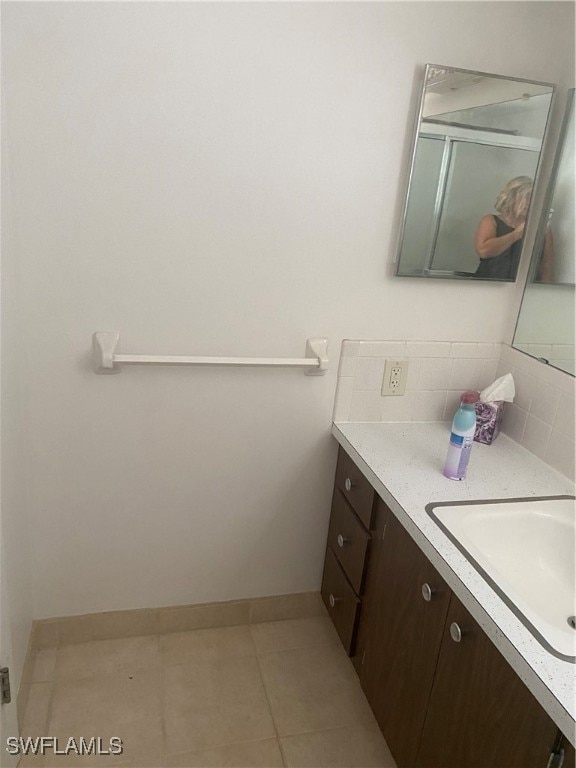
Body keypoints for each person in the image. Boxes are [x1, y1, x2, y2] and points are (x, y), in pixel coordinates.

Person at [474, 176, 534, 280]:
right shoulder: (490, 220)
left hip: (521, 290)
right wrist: (515, 235)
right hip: (485, 286)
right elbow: (483, 251)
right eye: (526, 197)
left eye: (532, 198)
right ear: (511, 197)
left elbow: (546, 268)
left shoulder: (542, 229)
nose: (529, 202)